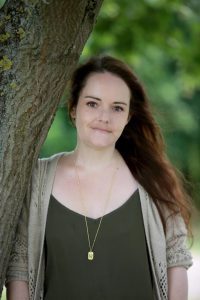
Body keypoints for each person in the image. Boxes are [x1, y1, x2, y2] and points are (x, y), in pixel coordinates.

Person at [6, 56, 193, 300]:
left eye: (117, 108)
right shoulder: (36, 181)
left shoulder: (154, 180)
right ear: (74, 108)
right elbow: (19, 267)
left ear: (128, 117)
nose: (104, 117)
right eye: (93, 104)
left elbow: (175, 259)